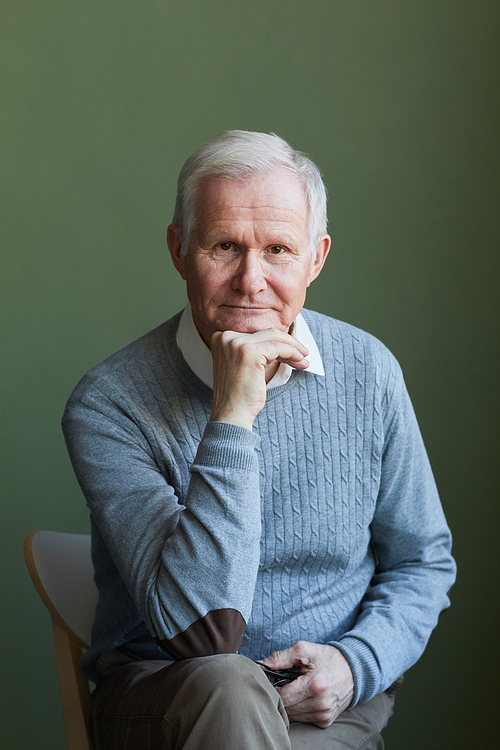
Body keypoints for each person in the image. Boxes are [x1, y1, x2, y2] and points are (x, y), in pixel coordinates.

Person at [62, 130, 456, 750]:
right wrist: (233, 415)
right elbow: (202, 633)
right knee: (227, 682)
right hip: (169, 700)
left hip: (325, 709)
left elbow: (422, 562)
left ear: (316, 259)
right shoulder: (110, 402)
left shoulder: (369, 372)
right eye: (225, 246)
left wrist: (356, 665)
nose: (251, 281)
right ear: (178, 248)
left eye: (278, 250)